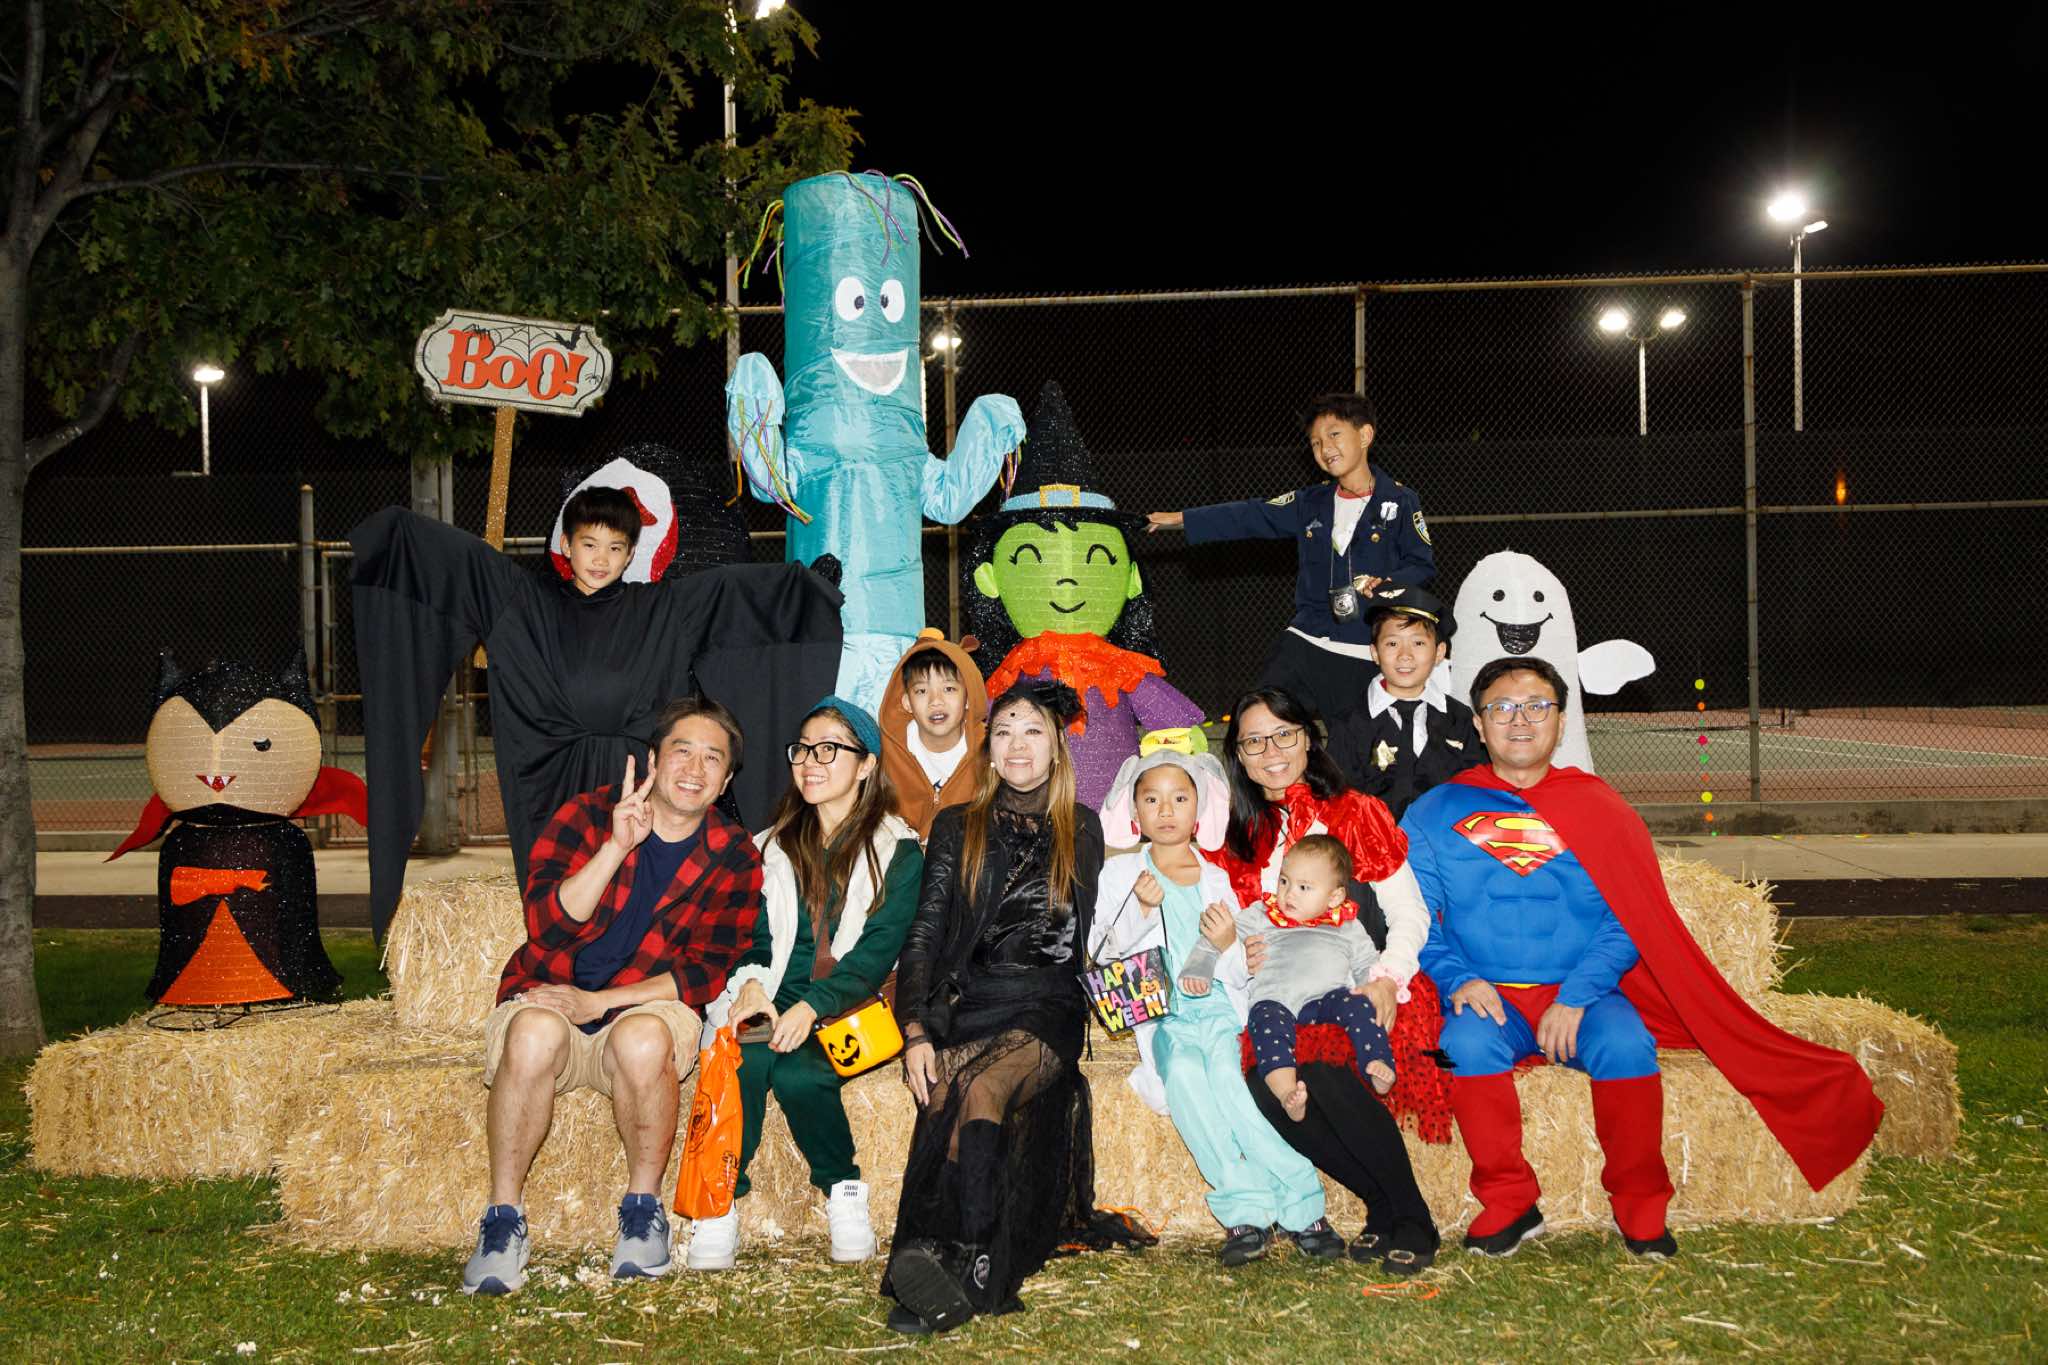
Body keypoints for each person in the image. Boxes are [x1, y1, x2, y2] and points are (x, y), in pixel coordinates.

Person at [1404, 657, 1884, 1260]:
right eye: (1501, 708)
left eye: (1536, 706)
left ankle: (1640, 1204)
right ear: (1479, 723)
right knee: (1462, 1048)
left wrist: (1578, 995)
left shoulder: (1601, 807)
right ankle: (1510, 1201)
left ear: (1560, 720)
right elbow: (1415, 918)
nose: (1519, 720)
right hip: (1487, 997)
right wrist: (1460, 979)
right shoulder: (1433, 811)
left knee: (1627, 1045)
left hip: (1585, 997)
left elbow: (1629, 917)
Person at [463, 697, 763, 1295]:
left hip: (644, 1007)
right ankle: (502, 1222)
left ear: (727, 780)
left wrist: (601, 1003)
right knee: (532, 1032)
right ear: (653, 759)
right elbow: (547, 926)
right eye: (682, 751)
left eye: (713, 759)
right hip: (552, 991)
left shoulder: (735, 856)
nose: (694, 769)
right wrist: (616, 848)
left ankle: (643, 1214)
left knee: (645, 1038)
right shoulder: (588, 815)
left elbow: (704, 973)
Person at [883, 680, 1106, 1334]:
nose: (1017, 745)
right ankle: (936, 1259)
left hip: (1047, 1002)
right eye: (1003, 731)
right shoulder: (958, 825)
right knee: (943, 1095)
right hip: (976, 998)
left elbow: (1092, 931)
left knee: (982, 1086)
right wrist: (916, 1028)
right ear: (988, 748)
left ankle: (975, 1255)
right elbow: (925, 932)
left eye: (1032, 730)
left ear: (1056, 746)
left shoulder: (1082, 826)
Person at [1210, 686, 1445, 1274]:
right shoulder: (1234, 837)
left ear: (1308, 740)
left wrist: (1387, 979)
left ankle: (1411, 1215)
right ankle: (1379, 1206)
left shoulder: (1356, 812)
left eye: (1283, 735)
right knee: (1265, 1087)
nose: (1271, 751)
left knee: (1324, 1067)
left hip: (1361, 983)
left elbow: (1410, 912)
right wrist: (1242, 955)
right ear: (1237, 755)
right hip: (1278, 997)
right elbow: (1225, 930)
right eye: (1253, 741)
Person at [686, 697, 923, 1271]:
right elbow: (750, 936)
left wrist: (812, 1007)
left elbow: (875, 954)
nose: (810, 763)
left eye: (828, 750)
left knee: (799, 1072)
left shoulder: (898, 848)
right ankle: (720, 1200)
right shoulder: (768, 845)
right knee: (743, 1059)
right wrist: (749, 986)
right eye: (802, 750)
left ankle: (844, 1191)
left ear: (866, 765)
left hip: (854, 1006)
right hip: (773, 995)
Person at [1091, 738, 1340, 1267]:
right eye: (1152, 799)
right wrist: (1139, 909)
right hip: (1165, 1019)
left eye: (1179, 798)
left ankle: (1302, 1202)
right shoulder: (1118, 875)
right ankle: (1243, 1208)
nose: (1166, 810)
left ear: (1198, 809)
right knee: (1185, 1079)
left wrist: (1231, 948)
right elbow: (1102, 952)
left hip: (1221, 1014)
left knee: (1230, 1083)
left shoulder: (1216, 878)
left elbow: (1235, 968)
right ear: (1135, 812)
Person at [1146, 393, 1433, 723]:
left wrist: (1389, 585)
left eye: (1334, 434)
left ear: (1365, 435)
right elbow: (1250, 514)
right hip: (1305, 640)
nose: (1325, 449)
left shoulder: (1400, 501)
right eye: (1315, 443)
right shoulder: (1309, 502)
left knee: (1354, 747)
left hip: (1363, 649)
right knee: (1259, 719)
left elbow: (1422, 565)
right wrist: (1183, 518)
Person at [1183, 836, 1403, 1121]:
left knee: (1360, 1005)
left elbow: (1366, 964)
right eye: (1284, 881)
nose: (1289, 894)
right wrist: (1199, 967)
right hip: (1275, 1000)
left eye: (1304, 887)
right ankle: (1287, 1092)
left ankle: (1377, 1062)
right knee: (1265, 1027)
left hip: (1327, 1000)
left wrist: (1372, 987)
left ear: (1334, 897)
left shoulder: (1347, 924)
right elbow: (1217, 936)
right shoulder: (1263, 913)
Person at [1326, 585, 1486, 818]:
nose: (1405, 655)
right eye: (1392, 643)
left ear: (1439, 652)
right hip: (1372, 839)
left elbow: (1477, 793)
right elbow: (1337, 802)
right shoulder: (1348, 723)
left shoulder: (1461, 720)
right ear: (1375, 652)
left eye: (1418, 643)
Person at [878, 631, 989, 840]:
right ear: (907, 703)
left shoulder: (988, 751)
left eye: (949, 689)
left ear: (968, 698)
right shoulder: (886, 751)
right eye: (921, 691)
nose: (935, 701)